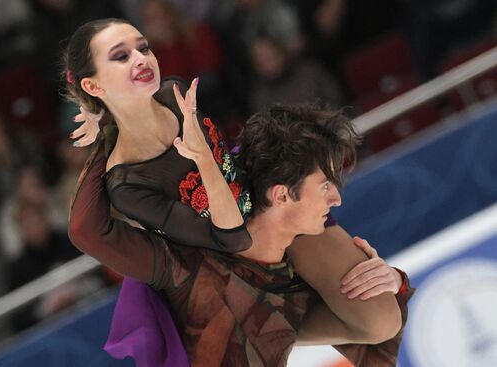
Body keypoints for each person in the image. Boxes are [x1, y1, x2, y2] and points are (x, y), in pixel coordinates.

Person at [64, 18, 412, 365]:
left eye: (143, 47)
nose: (141, 58)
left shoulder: (174, 91)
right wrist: (199, 159)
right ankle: (270, 330)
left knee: (380, 320)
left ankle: (280, 327)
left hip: (265, 209)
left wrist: (391, 276)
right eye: (121, 56)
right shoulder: (128, 183)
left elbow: (235, 170)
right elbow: (228, 239)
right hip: (230, 279)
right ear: (93, 86)